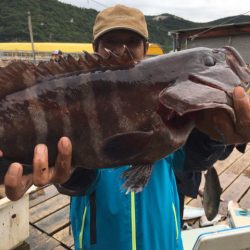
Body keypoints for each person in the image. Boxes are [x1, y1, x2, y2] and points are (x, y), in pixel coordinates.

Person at [3, 4, 250, 250]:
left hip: (161, 241)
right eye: (110, 42)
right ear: (95, 50)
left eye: (132, 42)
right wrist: (69, 173)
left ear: (145, 48)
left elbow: (193, 159)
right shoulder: (78, 95)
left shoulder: (173, 107)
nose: (123, 50)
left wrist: (216, 136)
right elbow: (81, 182)